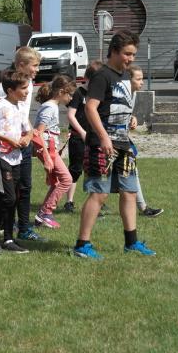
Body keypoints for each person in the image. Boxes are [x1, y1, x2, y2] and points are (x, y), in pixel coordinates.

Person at [73, 30, 156, 259]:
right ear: (115, 51)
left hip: (123, 144)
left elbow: (114, 105)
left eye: (133, 55)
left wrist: (129, 119)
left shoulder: (123, 77)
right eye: (127, 54)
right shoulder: (102, 76)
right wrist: (103, 137)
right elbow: (91, 108)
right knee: (99, 194)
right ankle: (82, 244)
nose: (130, 59)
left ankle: (132, 242)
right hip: (103, 144)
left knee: (129, 191)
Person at [0, 47, 45, 242]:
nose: (37, 69)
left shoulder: (28, 84)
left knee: (24, 187)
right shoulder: (11, 85)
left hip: (23, 141)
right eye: (35, 65)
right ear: (21, 65)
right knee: (8, 190)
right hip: (8, 145)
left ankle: (22, 228)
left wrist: (32, 133)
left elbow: (22, 116)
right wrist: (3, 132)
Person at [0, 72, 32, 254]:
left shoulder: (21, 106)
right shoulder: (1, 106)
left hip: (16, 157)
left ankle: (9, 238)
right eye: (23, 88)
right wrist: (7, 139)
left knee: (13, 198)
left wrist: (27, 137)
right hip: (0, 156)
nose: (27, 92)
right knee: (7, 197)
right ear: (10, 90)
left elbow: (29, 130)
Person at [33, 75, 76, 228]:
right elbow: (38, 132)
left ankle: (42, 216)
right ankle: (45, 213)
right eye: (69, 94)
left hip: (51, 149)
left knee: (56, 181)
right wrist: (47, 156)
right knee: (67, 179)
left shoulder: (52, 106)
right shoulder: (50, 107)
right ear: (61, 92)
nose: (71, 98)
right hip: (47, 149)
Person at [63, 60, 103, 213]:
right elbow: (71, 115)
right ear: (88, 79)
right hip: (78, 138)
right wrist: (82, 132)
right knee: (76, 169)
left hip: (94, 138)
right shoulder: (80, 93)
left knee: (94, 169)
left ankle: (95, 199)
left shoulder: (98, 94)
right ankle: (69, 201)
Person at [127, 65, 164, 218]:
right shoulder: (120, 94)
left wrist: (132, 118)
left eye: (142, 78)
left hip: (122, 138)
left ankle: (143, 207)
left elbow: (125, 114)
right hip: (111, 140)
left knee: (131, 172)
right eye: (138, 79)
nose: (142, 82)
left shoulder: (133, 93)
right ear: (128, 80)